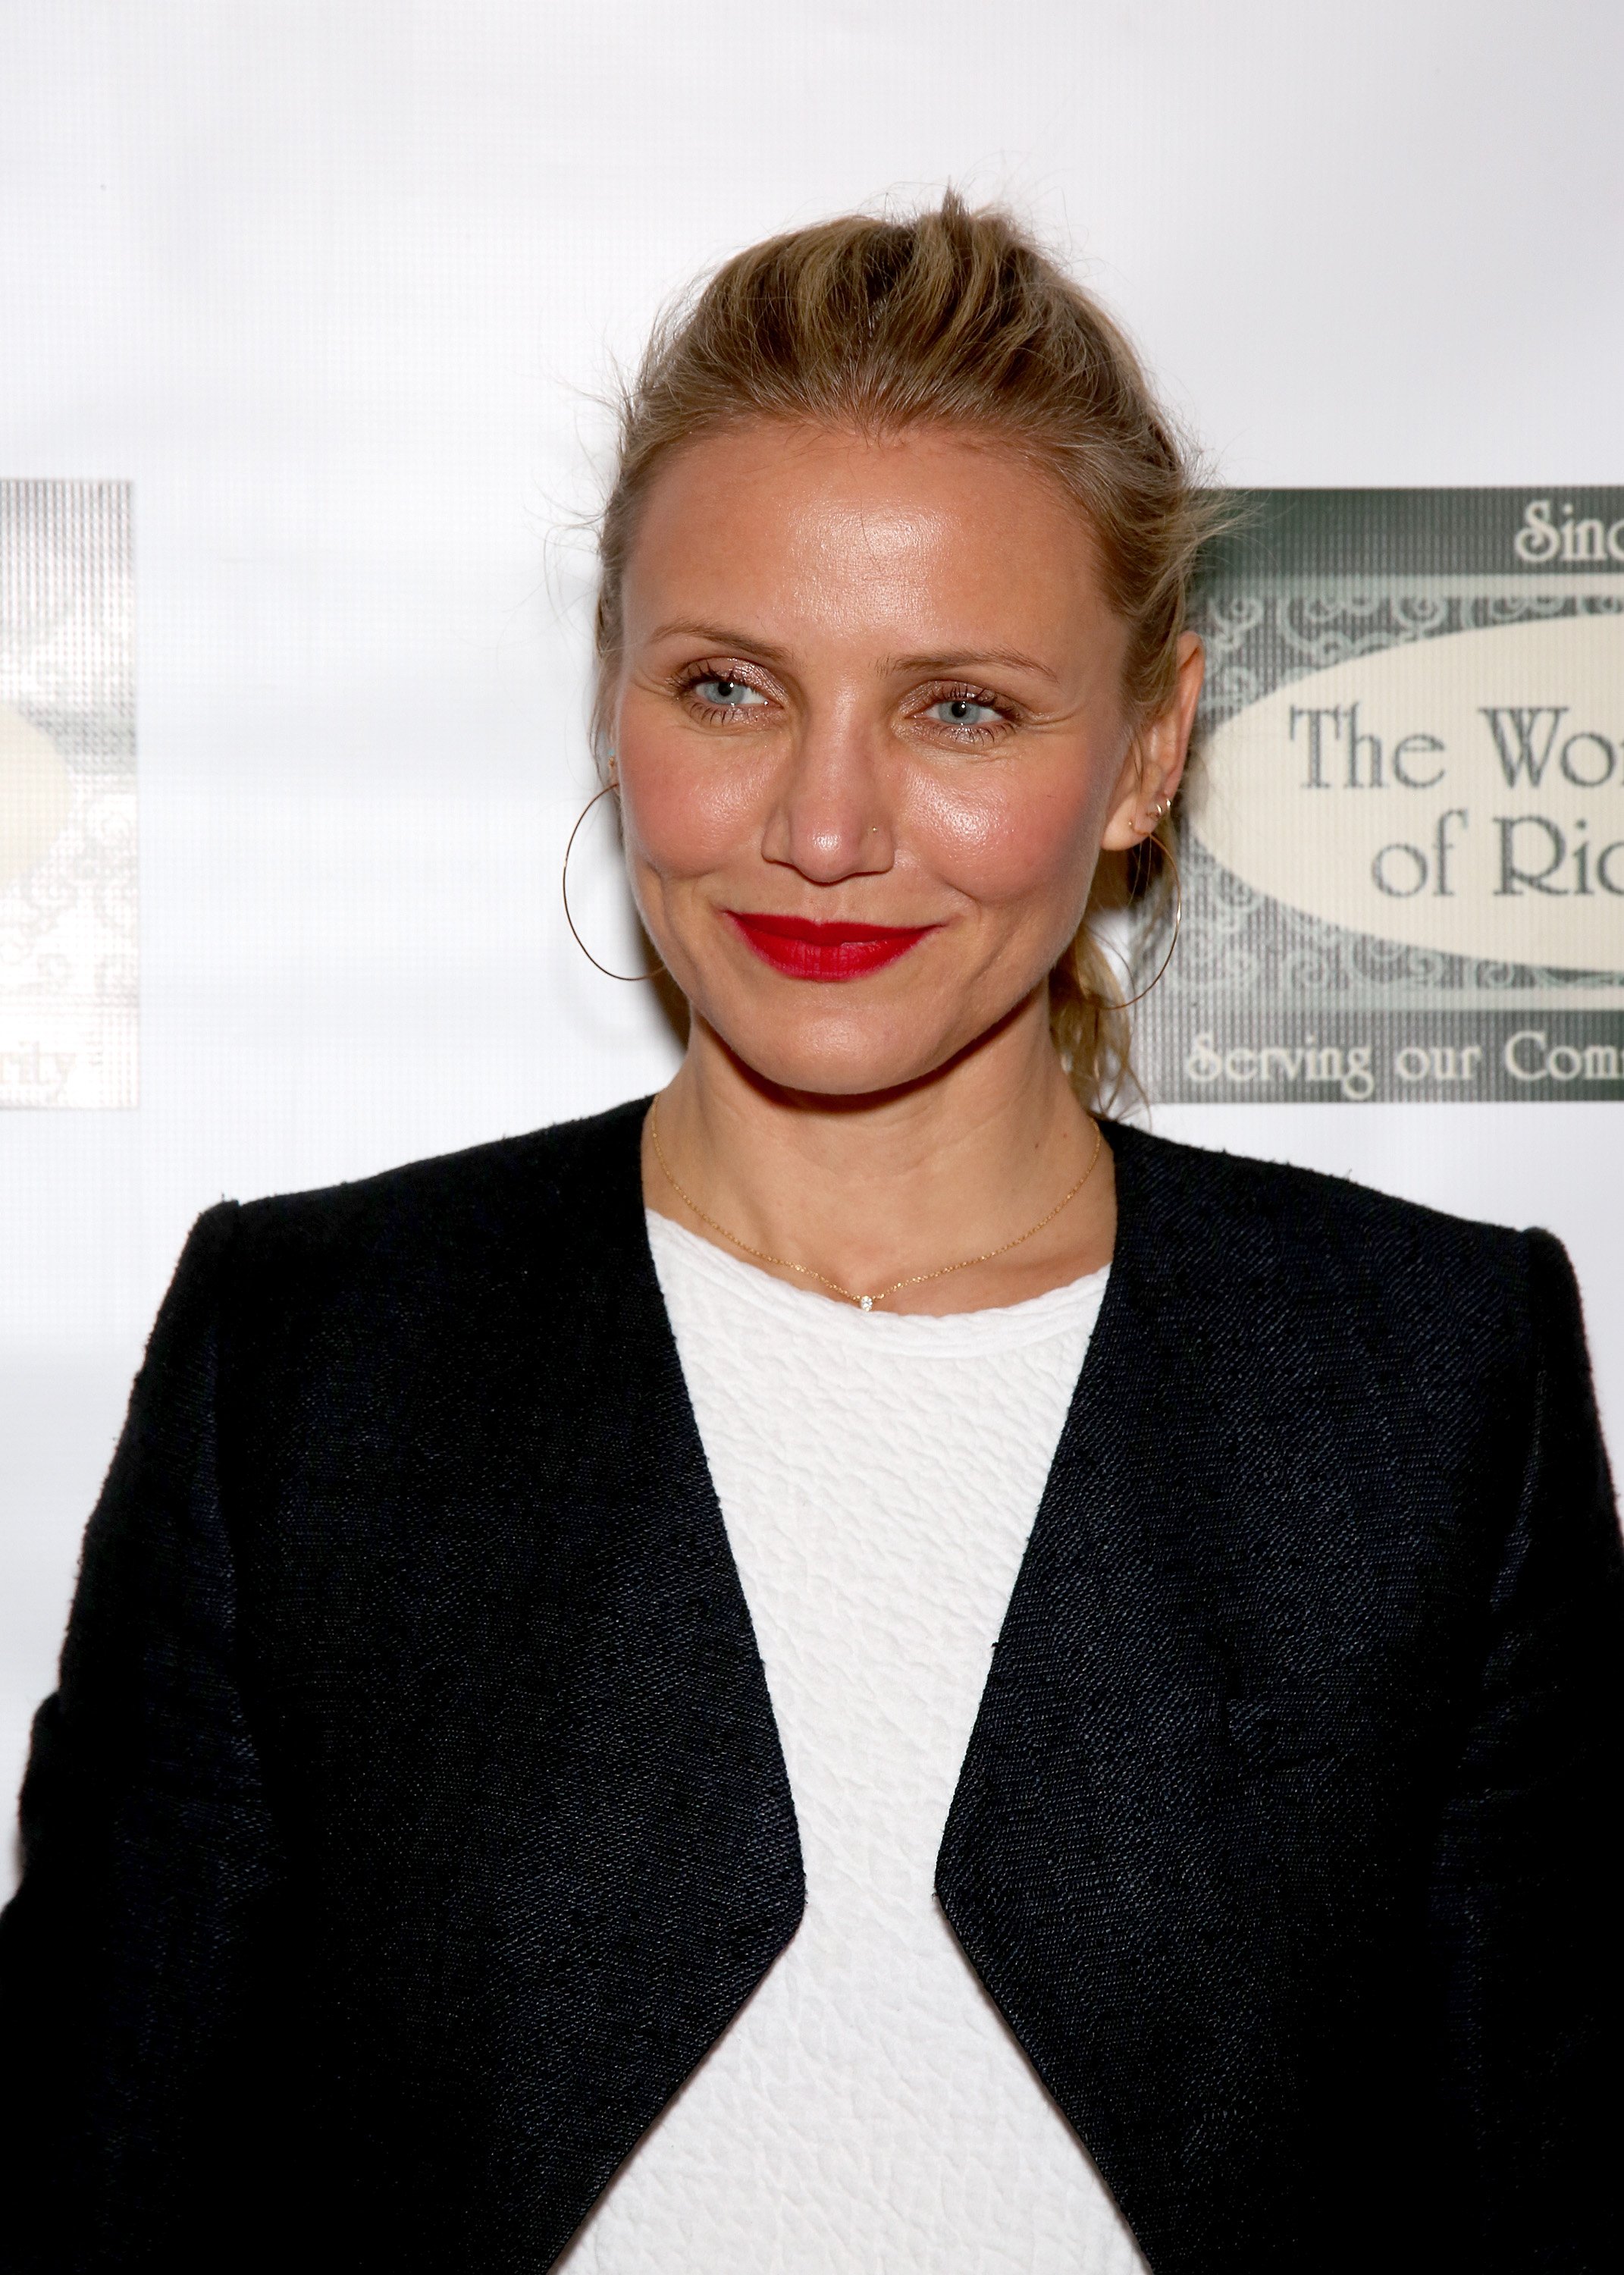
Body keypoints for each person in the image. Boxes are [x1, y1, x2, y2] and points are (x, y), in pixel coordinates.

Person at [2, 196, 1619, 2275]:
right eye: (733, 686)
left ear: (1150, 745)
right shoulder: (313, 1360)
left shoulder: (1421, 1380)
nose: (826, 830)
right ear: (616, 698)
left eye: (960, 709)